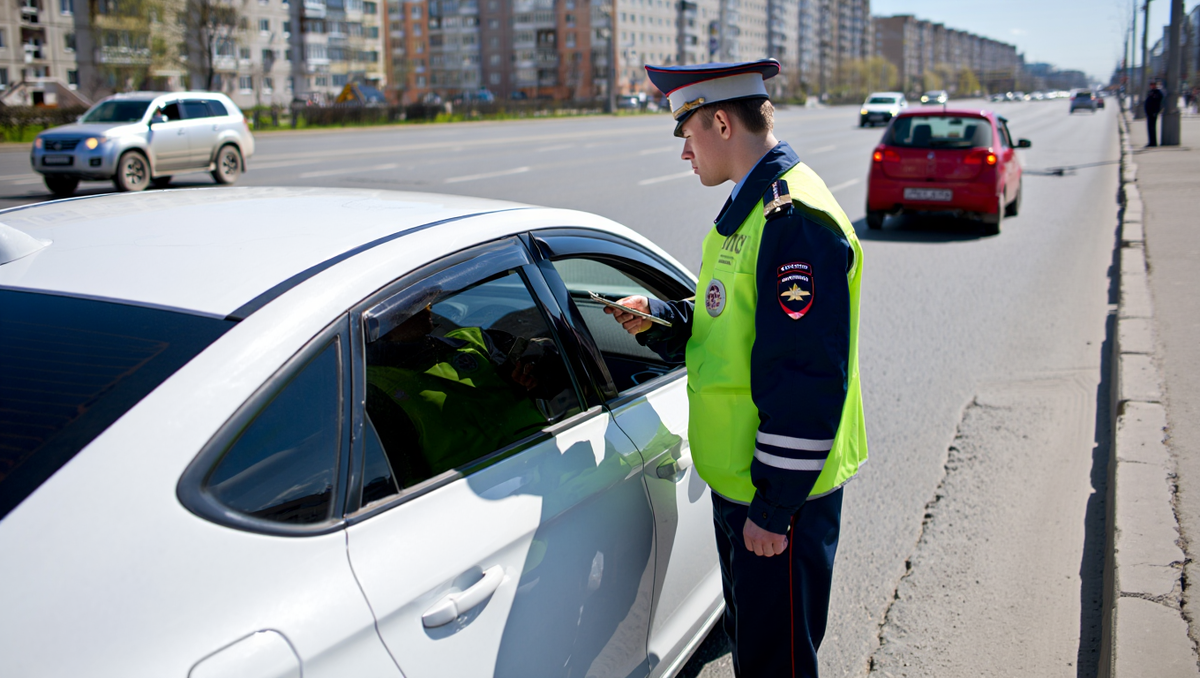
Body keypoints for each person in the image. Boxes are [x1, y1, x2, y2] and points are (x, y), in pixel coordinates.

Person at [604, 59, 867, 677]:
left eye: (687, 133)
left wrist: (773, 510)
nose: (684, 152)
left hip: (777, 498)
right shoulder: (751, 205)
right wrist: (663, 318)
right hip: (746, 487)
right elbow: (732, 314)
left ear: (721, 123)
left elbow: (806, 376)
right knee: (756, 652)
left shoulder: (793, 220)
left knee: (777, 665)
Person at [1145, 80, 1164, 147]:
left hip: (1153, 113)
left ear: (1155, 85)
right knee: (1149, 128)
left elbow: (1158, 103)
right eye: (1151, 84)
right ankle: (1151, 142)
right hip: (1149, 113)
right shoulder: (1151, 92)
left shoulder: (1158, 92)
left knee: (1152, 128)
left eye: (1153, 84)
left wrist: (1156, 111)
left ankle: (1153, 142)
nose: (1151, 86)